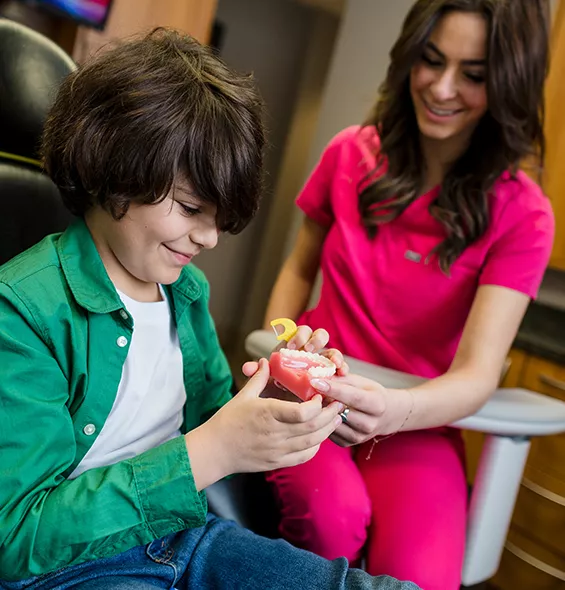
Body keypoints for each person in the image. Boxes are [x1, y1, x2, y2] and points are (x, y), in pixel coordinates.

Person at [0, 29, 419, 590]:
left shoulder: (186, 294)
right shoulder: (24, 312)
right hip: (65, 570)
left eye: (219, 219)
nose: (209, 238)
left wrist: (287, 398)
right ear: (114, 166)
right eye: (191, 208)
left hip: (182, 536)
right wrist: (211, 449)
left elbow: (213, 422)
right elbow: (19, 539)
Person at [262, 1, 554, 588]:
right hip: (315, 397)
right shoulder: (349, 154)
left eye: (473, 75)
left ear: (507, 85)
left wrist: (397, 411)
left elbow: (476, 374)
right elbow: (298, 268)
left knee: (418, 580)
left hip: (418, 423)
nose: (442, 88)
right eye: (431, 60)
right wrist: (280, 361)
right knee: (331, 519)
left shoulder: (524, 215)